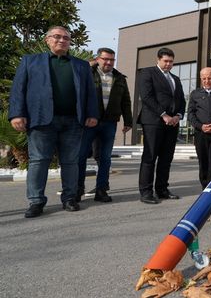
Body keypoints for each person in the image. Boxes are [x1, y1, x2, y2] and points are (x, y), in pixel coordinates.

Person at [9, 26, 99, 218]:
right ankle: (36, 201)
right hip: (41, 120)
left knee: (71, 162)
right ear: (47, 40)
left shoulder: (81, 65)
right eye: (57, 37)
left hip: (73, 121)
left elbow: (90, 93)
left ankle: (69, 198)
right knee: (39, 161)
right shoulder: (30, 61)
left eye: (66, 38)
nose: (62, 40)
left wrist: (92, 114)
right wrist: (17, 114)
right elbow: (18, 90)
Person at [76, 47, 133, 203]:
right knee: (81, 156)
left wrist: (128, 121)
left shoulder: (120, 78)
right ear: (98, 59)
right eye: (105, 59)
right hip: (88, 122)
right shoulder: (87, 74)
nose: (108, 62)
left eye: (112, 60)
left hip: (109, 123)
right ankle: (77, 189)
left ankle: (101, 190)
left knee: (105, 158)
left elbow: (126, 101)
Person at [137, 47, 186, 204]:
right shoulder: (147, 73)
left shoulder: (176, 79)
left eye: (171, 62)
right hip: (153, 122)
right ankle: (146, 192)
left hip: (172, 124)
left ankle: (162, 189)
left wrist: (178, 116)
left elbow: (182, 100)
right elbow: (147, 97)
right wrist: (164, 115)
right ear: (158, 59)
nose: (168, 64)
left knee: (166, 158)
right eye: (165, 61)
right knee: (150, 157)